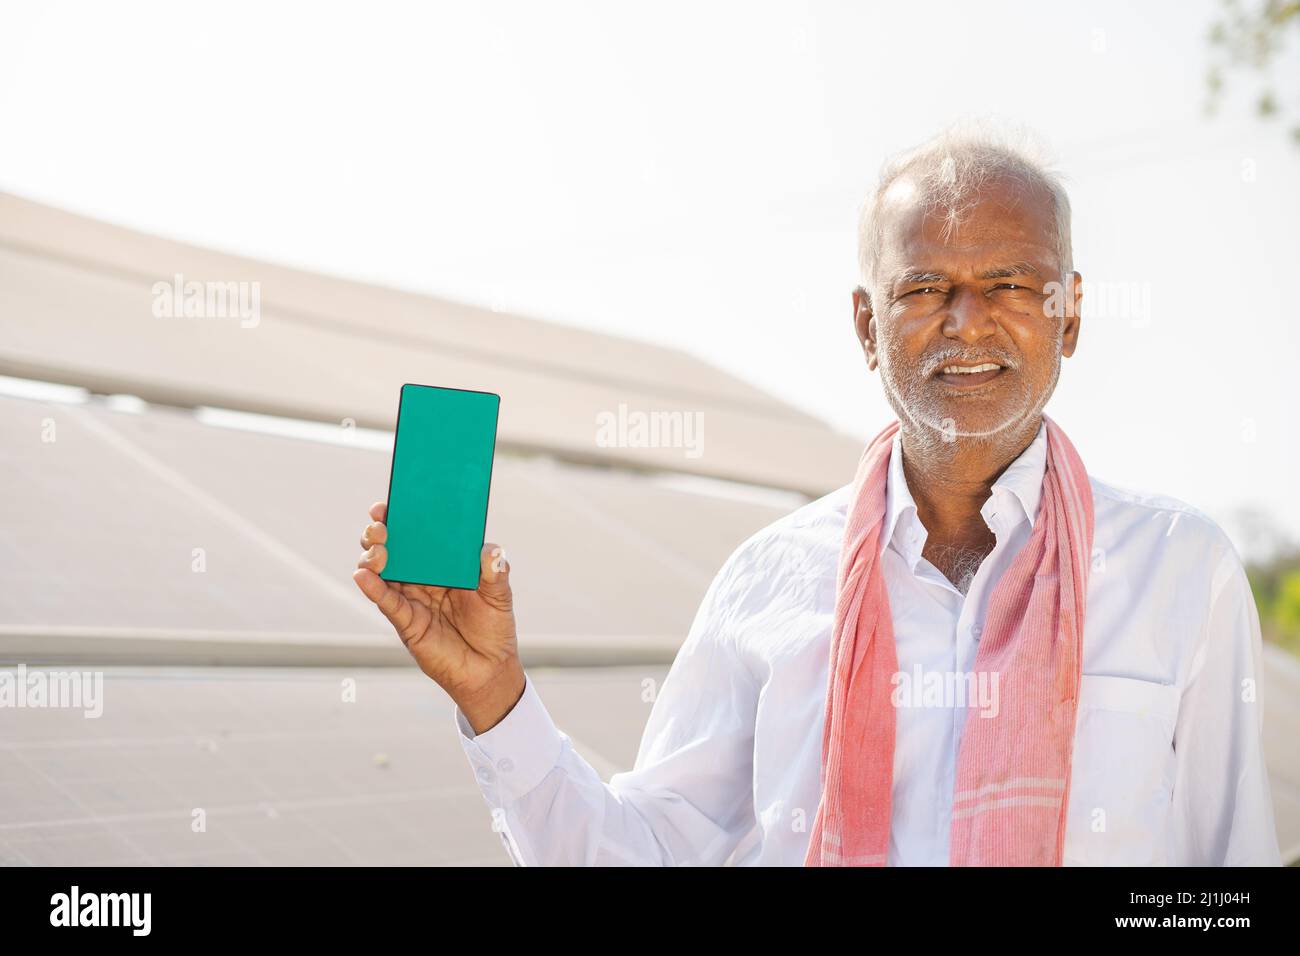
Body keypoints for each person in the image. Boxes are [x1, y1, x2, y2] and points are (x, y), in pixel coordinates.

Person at [352, 126, 1281, 866]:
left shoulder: (1176, 571)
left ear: (1069, 313)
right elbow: (644, 855)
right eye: (924, 286)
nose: (969, 320)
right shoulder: (770, 581)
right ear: (866, 325)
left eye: (1012, 283)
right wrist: (496, 698)